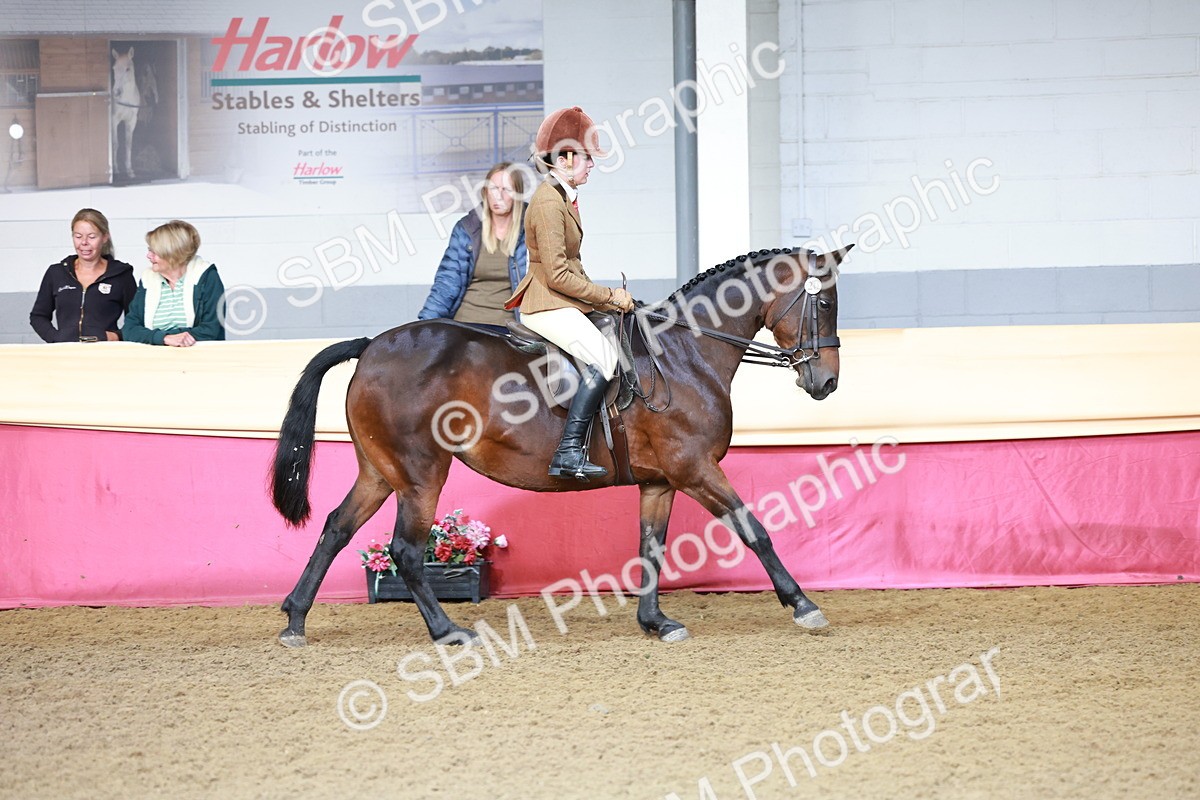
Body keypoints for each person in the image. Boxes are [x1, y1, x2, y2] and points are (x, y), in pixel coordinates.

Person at [505, 106, 635, 481]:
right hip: (546, 304)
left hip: (562, 300)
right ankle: (568, 451)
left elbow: (573, 267)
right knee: (605, 359)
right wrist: (609, 296)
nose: (591, 165)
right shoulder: (548, 202)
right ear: (563, 159)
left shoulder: (563, 197)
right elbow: (559, 275)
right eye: (587, 158)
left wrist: (606, 300)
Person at [418, 163, 529, 331]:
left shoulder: (532, 229)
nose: (498, 195)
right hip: (465, 327)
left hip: (509, 329)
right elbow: (447, 282)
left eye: (506, 190)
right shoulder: (467, 229)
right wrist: (423, 327)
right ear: (485, 192)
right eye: (493, 188)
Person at [30, 208, 137, 342]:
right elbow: (38, 316)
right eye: (78, 236)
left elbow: (136, 321)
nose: (84, 242)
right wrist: (56, 339)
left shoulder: (121, 275)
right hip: (66, 354)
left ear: (104, 237)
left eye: (92, 237)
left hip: (106, 355)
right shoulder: (56, 273)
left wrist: (115, 336)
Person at [122, 220, 225, 346]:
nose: (148, 256)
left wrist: (169, 337)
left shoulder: (207, 277)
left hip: (199, 359)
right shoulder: (148, 279)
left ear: (173, 253)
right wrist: (164, 338)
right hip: (155, 359)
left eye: (154, 252)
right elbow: (129, 329)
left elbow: (211, 330)